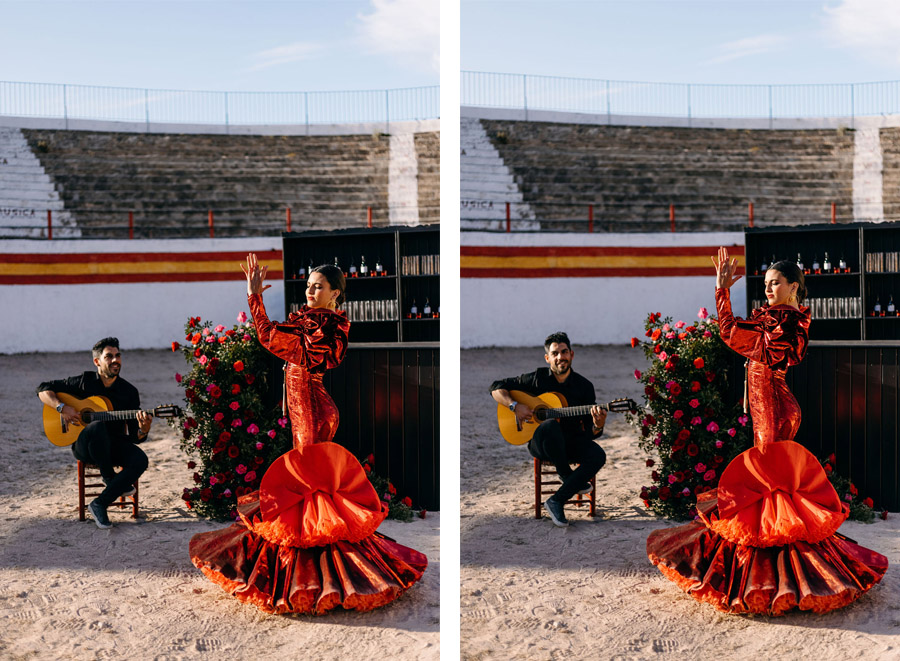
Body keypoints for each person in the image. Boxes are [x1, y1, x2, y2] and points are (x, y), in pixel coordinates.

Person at [646, 247, 888, 614]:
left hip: (771, 404)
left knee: (768, 482)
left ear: (794, 287)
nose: (768, 289)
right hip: (775, 400)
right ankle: (783, 573)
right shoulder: (787, 318)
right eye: (766, 284)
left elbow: (731, 332)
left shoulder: (783, 319)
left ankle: (773, 579)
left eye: (776, 283)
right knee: (773, 486)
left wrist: (721, 291)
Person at [189, 253, 427, 614]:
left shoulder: (320, 324)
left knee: (307, 484)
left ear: (335, 294)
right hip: (316, 401)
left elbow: (269, 336)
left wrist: (254, 297)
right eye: (308, 286)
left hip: (308, 405)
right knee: (314, 487)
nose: (310, 291)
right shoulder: (321, 322)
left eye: (318, 287)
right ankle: (329, 570)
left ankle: (316, 580)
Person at [490, 331, 608, 527]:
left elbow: (589, 432)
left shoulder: (584, 386)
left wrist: (598, 425)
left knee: (598, 455)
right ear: (547, 358)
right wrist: (514, 406)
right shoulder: (537, 379)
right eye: (555, 353)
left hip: (570, 443)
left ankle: (556, 500)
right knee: (551, 425)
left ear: (572, 354)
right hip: (541, 443)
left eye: (564, 352)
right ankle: (567, 475)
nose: (560, 357)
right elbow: (496, 387)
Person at [37, 337, 151, 529]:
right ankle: (109, 477)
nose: (115, 360)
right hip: (85, 446)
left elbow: (134, 435)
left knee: (141, 459)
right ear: (97, 361)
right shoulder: (84, 382)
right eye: (109, 357)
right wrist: (61, 407)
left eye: (118, 356)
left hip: (114, 445)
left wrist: (143, 429)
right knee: (97, 425)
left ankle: (99, 503)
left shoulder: (129, 391)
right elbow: (42, 389)